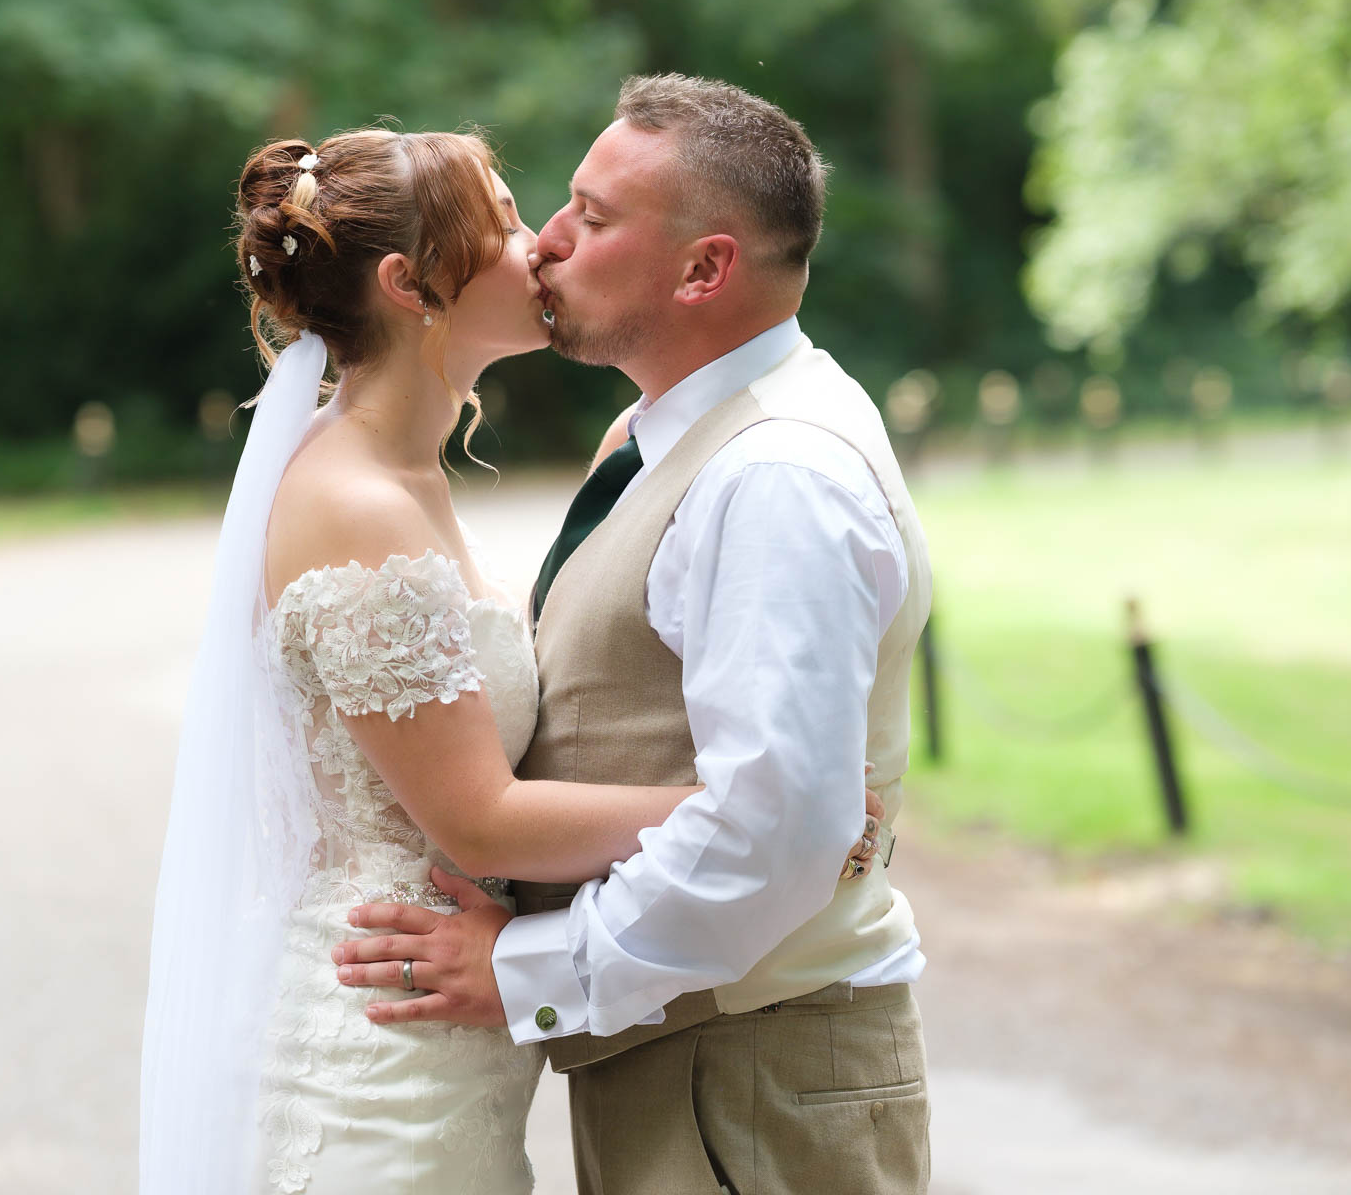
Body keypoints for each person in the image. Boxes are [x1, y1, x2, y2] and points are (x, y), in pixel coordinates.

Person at [137, 124, 886, 1194]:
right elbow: (477, 819)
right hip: (384, 1047)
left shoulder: (408, 477)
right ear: (410, 284)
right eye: (504, 223)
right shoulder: (355, 502)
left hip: (452, 1040)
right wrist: (760, 812)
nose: (542, 244)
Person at [335, 74, 935, 1195]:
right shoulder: (663, 435)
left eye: (595, 218)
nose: (547, 241)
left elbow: (777, 828)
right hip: (699, 1051)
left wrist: (528, 971)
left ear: (704, 269)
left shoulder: (776, 478)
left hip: (752, 1072)